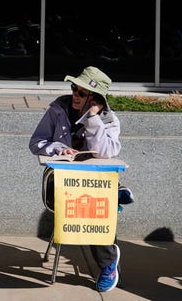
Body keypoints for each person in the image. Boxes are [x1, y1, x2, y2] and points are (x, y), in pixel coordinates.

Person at [28, 66, 126, 292]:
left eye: (82, 93)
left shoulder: (108, 119)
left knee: (92, 204)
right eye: (74, 88)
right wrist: (59, 148)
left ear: (95, 99)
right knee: (92, 203)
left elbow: (106, 152)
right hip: (59, 180)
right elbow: (36, 142)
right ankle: (117, 195)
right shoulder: (57, 109)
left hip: (93, 180)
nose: (75, 95)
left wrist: (92, 119)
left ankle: (107, 264)